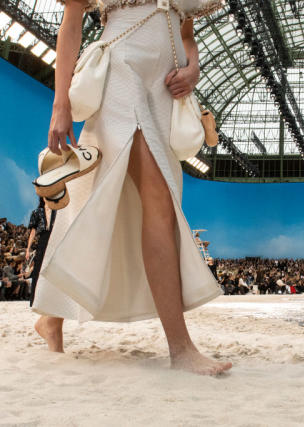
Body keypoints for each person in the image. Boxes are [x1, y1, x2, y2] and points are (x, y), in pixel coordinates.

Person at [33, 0, 231, 375]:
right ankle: (181, 348)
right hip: (121, 75)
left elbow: (187, 35)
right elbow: (71, 23)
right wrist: (60, 104)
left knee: (95, 200)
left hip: (165, 92)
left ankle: (51, 319)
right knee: (158, 201)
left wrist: (194, 68)